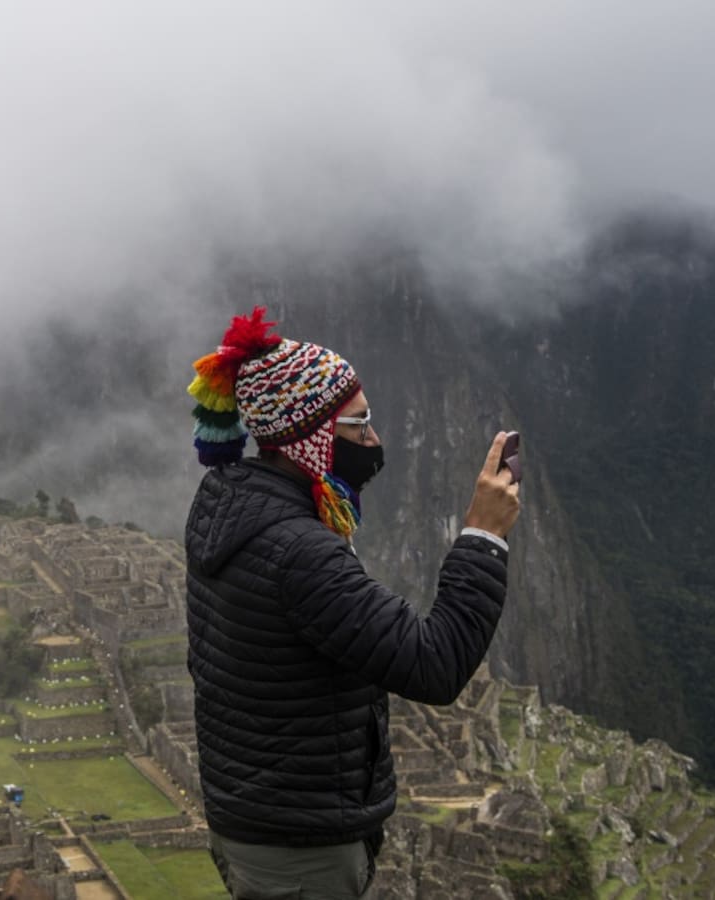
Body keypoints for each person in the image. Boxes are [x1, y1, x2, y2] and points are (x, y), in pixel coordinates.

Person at [185, 307, 520, 899]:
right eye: (359, 425)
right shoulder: (298, 552)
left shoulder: (226, 507)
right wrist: (483, 536)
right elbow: (435, 664)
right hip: (300, 848)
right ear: (310, 439)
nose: (374, 441)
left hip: (254, 819)